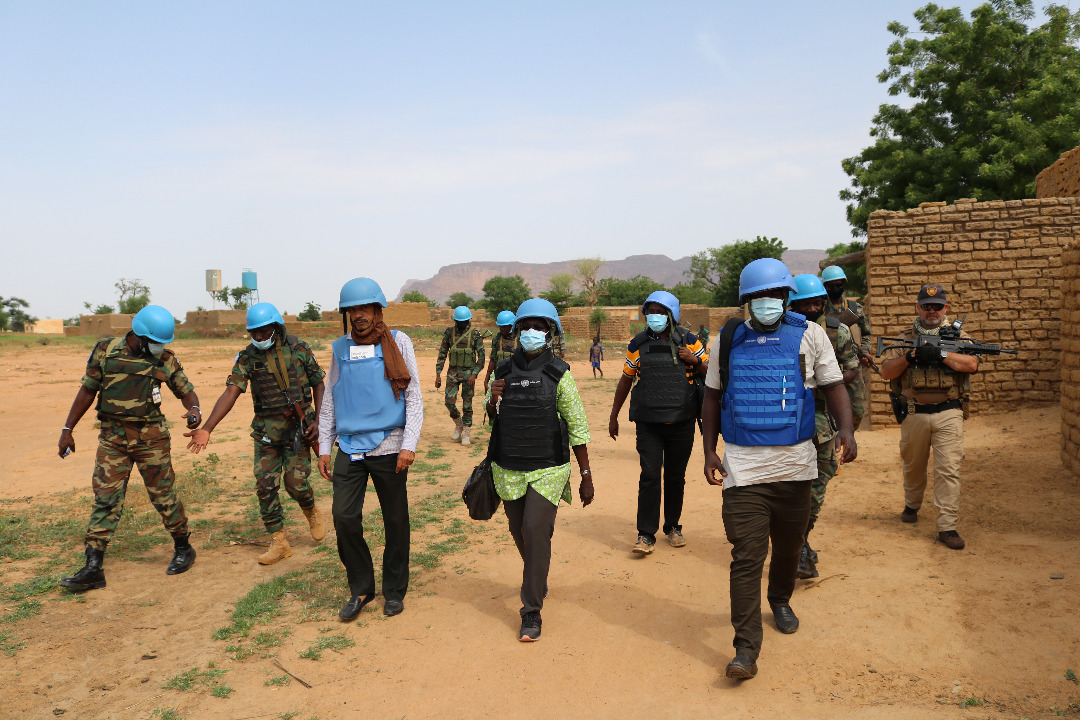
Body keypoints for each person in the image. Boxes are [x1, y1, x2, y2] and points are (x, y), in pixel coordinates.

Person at [701, 259, 856, 680]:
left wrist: (847, 429)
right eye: (756, 298)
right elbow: (712, 396)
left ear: (787, 298)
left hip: (796, 469)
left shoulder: (811, 334)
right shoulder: (728, 339)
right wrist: (709, 451)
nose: (765, 304)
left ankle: (781, 598)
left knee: (788, 550)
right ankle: (745, 650)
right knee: (747, 557)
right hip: (744, 473)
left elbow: (834, 385)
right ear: (745, 302)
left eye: (773, 296)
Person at [58, 305, 202, 591]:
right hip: (113, 438)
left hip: (152, 438)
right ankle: (93, 566)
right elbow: (88, 390)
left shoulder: (164, 359)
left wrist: (195, 409)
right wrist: (67, 429)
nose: (161, 348)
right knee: (106, 498)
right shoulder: (105, 351)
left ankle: (184, 547)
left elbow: (187, 391)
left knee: (163, 496)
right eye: (156, 342)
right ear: (139, 336)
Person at [185, 302, 327, 565]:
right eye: (254, 333)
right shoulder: (247, 357)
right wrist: (206, 428)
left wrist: (319, 420)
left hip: (299, 431)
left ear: (276, 327)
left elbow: (319, 383)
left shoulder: (299, 349)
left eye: (263, 332)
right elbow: (232, 391)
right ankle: (279, 542)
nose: (259, 337)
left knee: (295, 484)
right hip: (266, 434)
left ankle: (310, 510)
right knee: (265, 486)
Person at [486, 298, 593, 642]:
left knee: (534, 528)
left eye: (540, 327)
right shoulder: (502, 370)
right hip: (510, 466)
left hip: (549, 467)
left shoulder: (559, 373)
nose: (532, 332)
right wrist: (492, 400)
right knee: (521, 531)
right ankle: (539, 575)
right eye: (527, 326)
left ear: (550, 334)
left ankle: (531, 610)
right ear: (517, 331)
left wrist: (586, 476)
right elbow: (495, 420)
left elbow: (576, 426)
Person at [318, 278, 423, 620]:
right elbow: (331, 399)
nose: (358, 315)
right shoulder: (340, 348)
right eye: (352, 310)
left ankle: (394, 590)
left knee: (395, 520)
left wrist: (409, 444)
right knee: (344, 517)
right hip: (349, 447)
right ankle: (361, 588)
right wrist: (323, 445)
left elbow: (414, 395)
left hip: (390, 444)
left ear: (378, 310)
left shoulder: (399, 342)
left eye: (364, 308)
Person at [879, 284, 978, 551]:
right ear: (918, 308)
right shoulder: (904, 337)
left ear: (946, 308)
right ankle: (912, 505)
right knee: (913, 467)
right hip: (914, 413)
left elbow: (972, 364)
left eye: (937, 306)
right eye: (926, 306)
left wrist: (942, 354)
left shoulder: (959, 336)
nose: (932, 311)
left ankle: (947, 527)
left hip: (949, 413)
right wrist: (911, 357)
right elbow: (886, 372)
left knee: (948, 470)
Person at [608, 291, 707, 555]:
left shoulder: (690, 341)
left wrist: (694, 360)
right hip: (648, 423)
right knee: (650, 476)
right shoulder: (637, 343)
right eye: (650, 311)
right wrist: (613, 415)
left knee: (675, 477)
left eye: (660, 311)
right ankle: (645, 534)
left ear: (671, 314)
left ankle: (673, 527)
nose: (655, 316)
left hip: (681, 421)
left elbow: (710, 373)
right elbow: (626, 379)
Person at [787, 275, 861, 579]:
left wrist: (823, 380)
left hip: (822, 416)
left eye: (816, 302)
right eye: (804, 304)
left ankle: (800, 539)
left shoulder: (836, 331)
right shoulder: (780, 333)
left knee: (822, 478)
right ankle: (797, 547)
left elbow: (853, 370)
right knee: (789, 485)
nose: (811, 308)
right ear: (792, 305)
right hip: (787, 418)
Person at [821, 265, 872, 427]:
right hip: (830, 365)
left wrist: (864, 351)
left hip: (852, 366)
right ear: (825, 287)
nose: (835, 288)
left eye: (839, 284)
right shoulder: (820, 308)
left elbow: (866, 334)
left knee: (857, 410)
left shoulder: (855, 309)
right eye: (831, 285)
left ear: (844, 284)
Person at [435, 306, 485, 445]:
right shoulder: (449, 333)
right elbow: (442, 353)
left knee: (467, 405)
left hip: (469, 374)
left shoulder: (475, 333)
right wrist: (438, 373)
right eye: (458, 321)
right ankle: (459, 423)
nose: (461, 324)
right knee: (449, 402)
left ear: (468, 320)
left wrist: (474, 375)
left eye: (463, 321)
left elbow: (481, 357)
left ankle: (467, 431)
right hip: (453, 373)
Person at [483, 310, 517, 393]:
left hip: (515, 379)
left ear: (511, 326)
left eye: (504, 326)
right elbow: (492, 360)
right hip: (499, 379)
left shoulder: (519, 340)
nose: (502, 329)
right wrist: (486, 380)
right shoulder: (497, 340)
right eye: (500, 326)